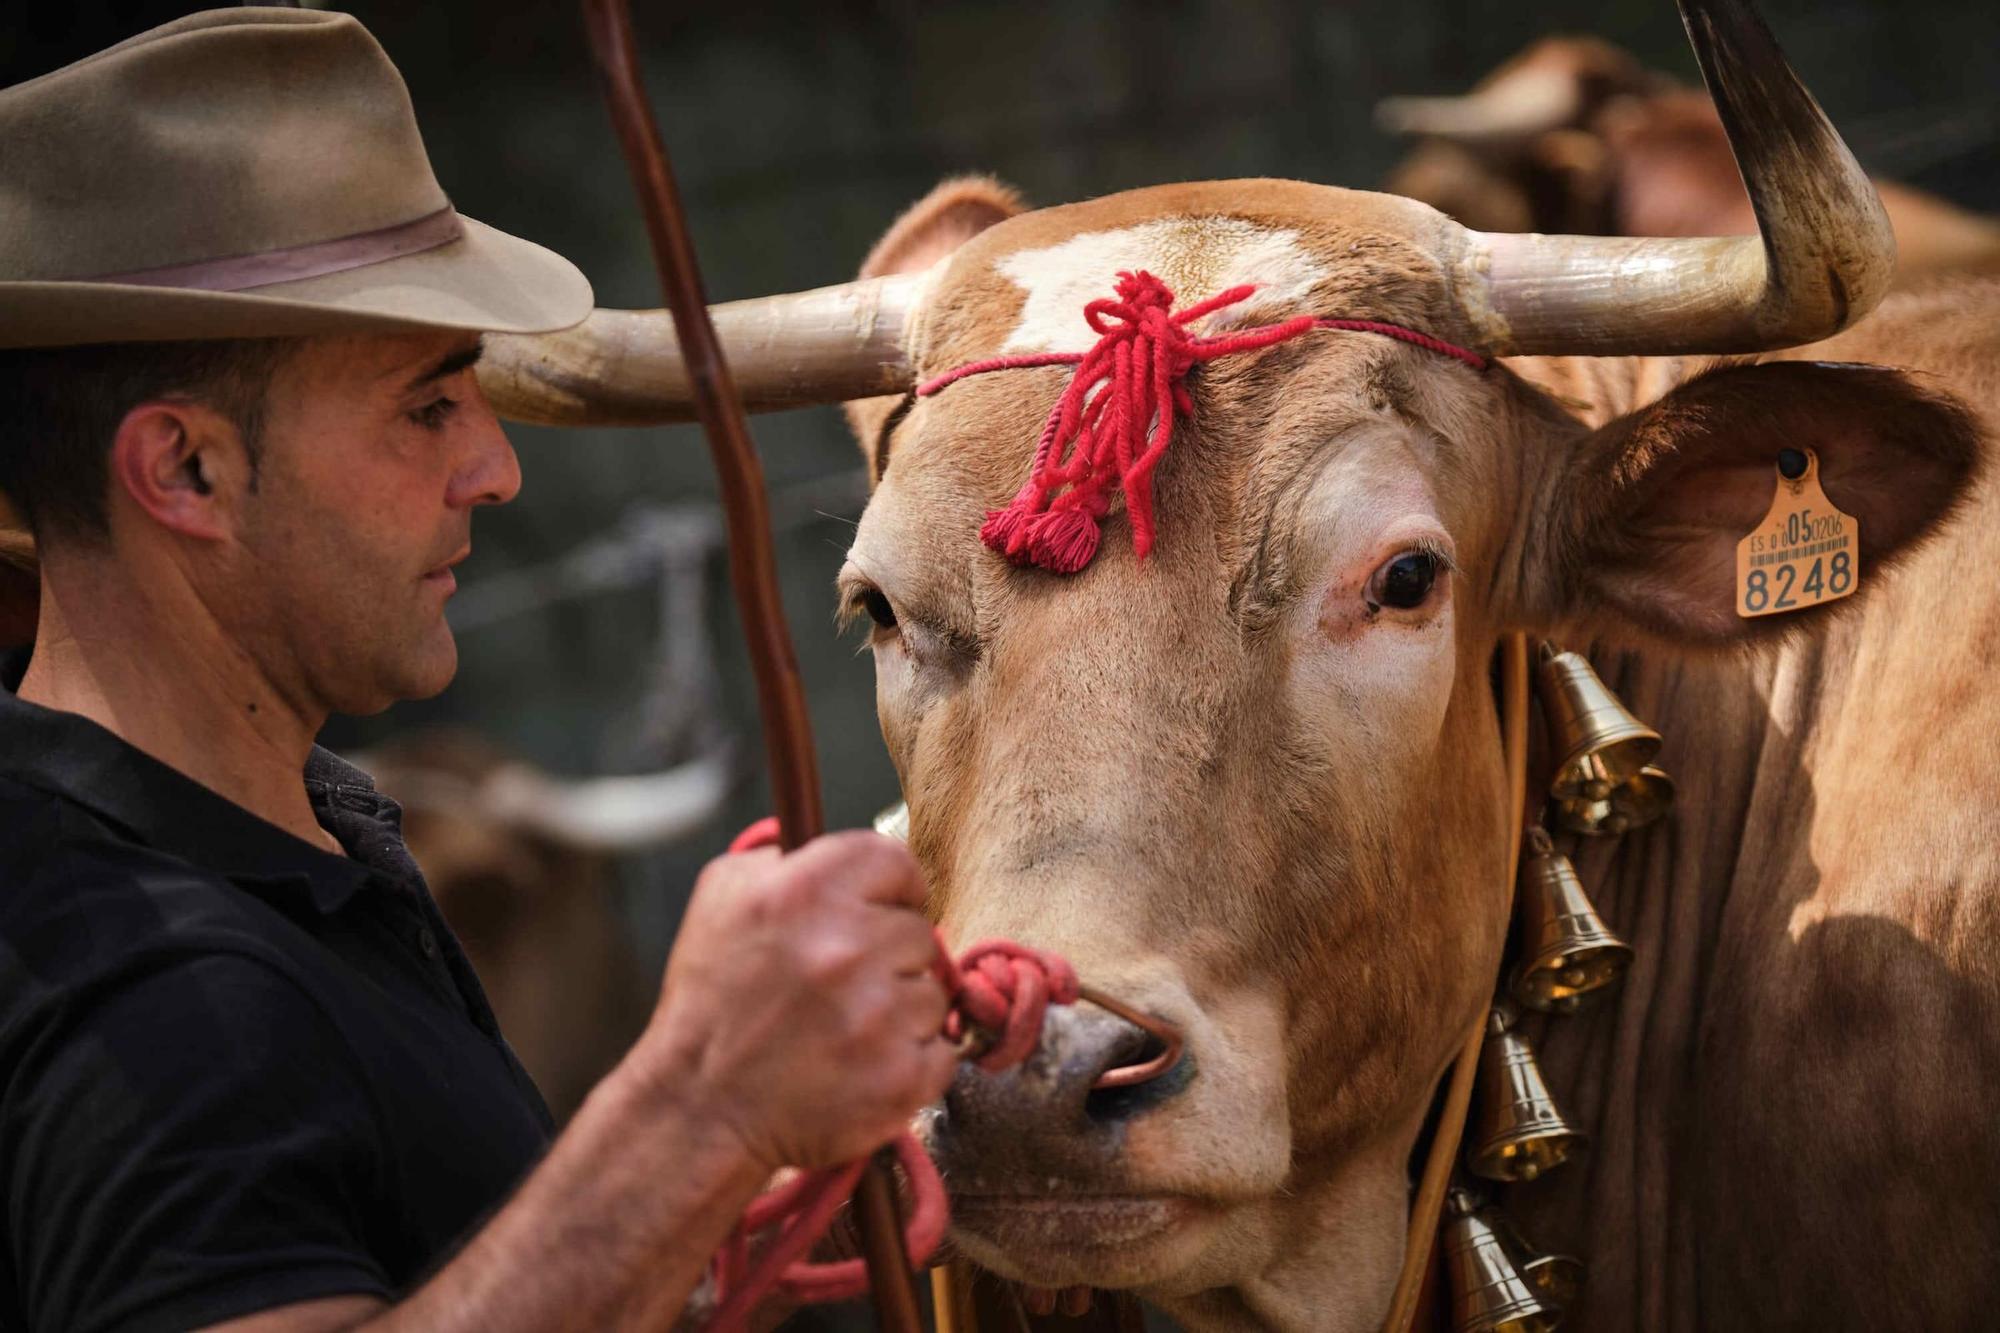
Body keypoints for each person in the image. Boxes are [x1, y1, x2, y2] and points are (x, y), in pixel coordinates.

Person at [0, 9, 955, 1331]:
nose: (495, 468)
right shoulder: (143, 980)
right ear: (186, 470)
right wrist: (700, 1103)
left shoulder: (276, 846)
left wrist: (698, 1201)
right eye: (427, 404)